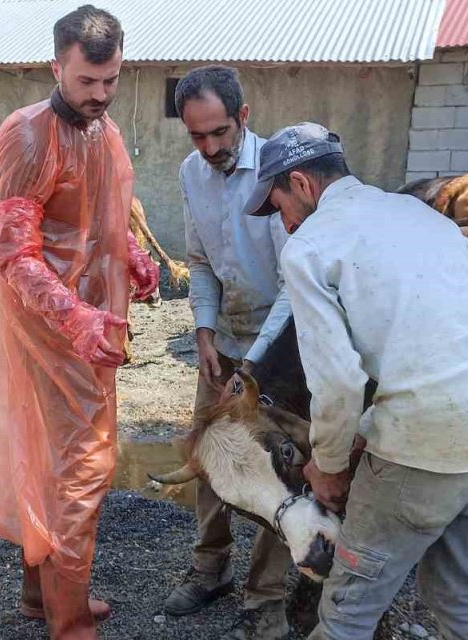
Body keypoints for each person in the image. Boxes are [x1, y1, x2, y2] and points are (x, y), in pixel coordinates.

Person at [249, 122, 468, 639]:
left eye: (278, 205)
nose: (283, 223)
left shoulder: (310, 248)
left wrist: (328, 467)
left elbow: (335, 383)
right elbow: (436, 350)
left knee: (347, 614)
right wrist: (370, 425)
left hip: (425, 455)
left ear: (304, 184)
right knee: (459, 595)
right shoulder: (424, 219)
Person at [0, 5, 159, 639]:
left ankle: (41, 596)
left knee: (47, 462)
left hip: (91, 330)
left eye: (111, 80)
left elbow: (106, 216)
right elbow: (13, 254)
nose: (101, 95)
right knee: (79, 472)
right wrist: (75, 317)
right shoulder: (29, 138)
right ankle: (71, 624)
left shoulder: (101, 131)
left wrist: (131, 257)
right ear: (56, 66)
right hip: (51, 332)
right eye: (87, 82)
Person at [163, 65, 292, 640]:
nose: (210, 147)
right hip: (226, 344)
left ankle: (264, 597)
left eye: (219, 132)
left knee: (276, 470)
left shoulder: (280, 175)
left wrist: (254, 366)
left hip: (285, 351)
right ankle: (209, 566)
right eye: (197, 135)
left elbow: (298, 285)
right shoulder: (192, 172)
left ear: (244, 117)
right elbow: (199, 261)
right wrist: (205, 333)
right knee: (209, 455)